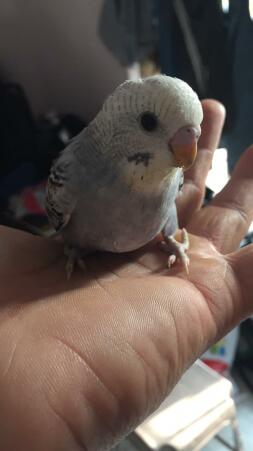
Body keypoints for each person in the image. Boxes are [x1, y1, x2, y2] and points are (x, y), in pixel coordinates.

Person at [0, 100, 253, 451]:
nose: (184, 149)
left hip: (157, 234)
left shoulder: (170, 170)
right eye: (150, 122)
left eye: (191, 131)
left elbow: (171, 206)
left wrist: (171, 238)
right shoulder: (71, 173)